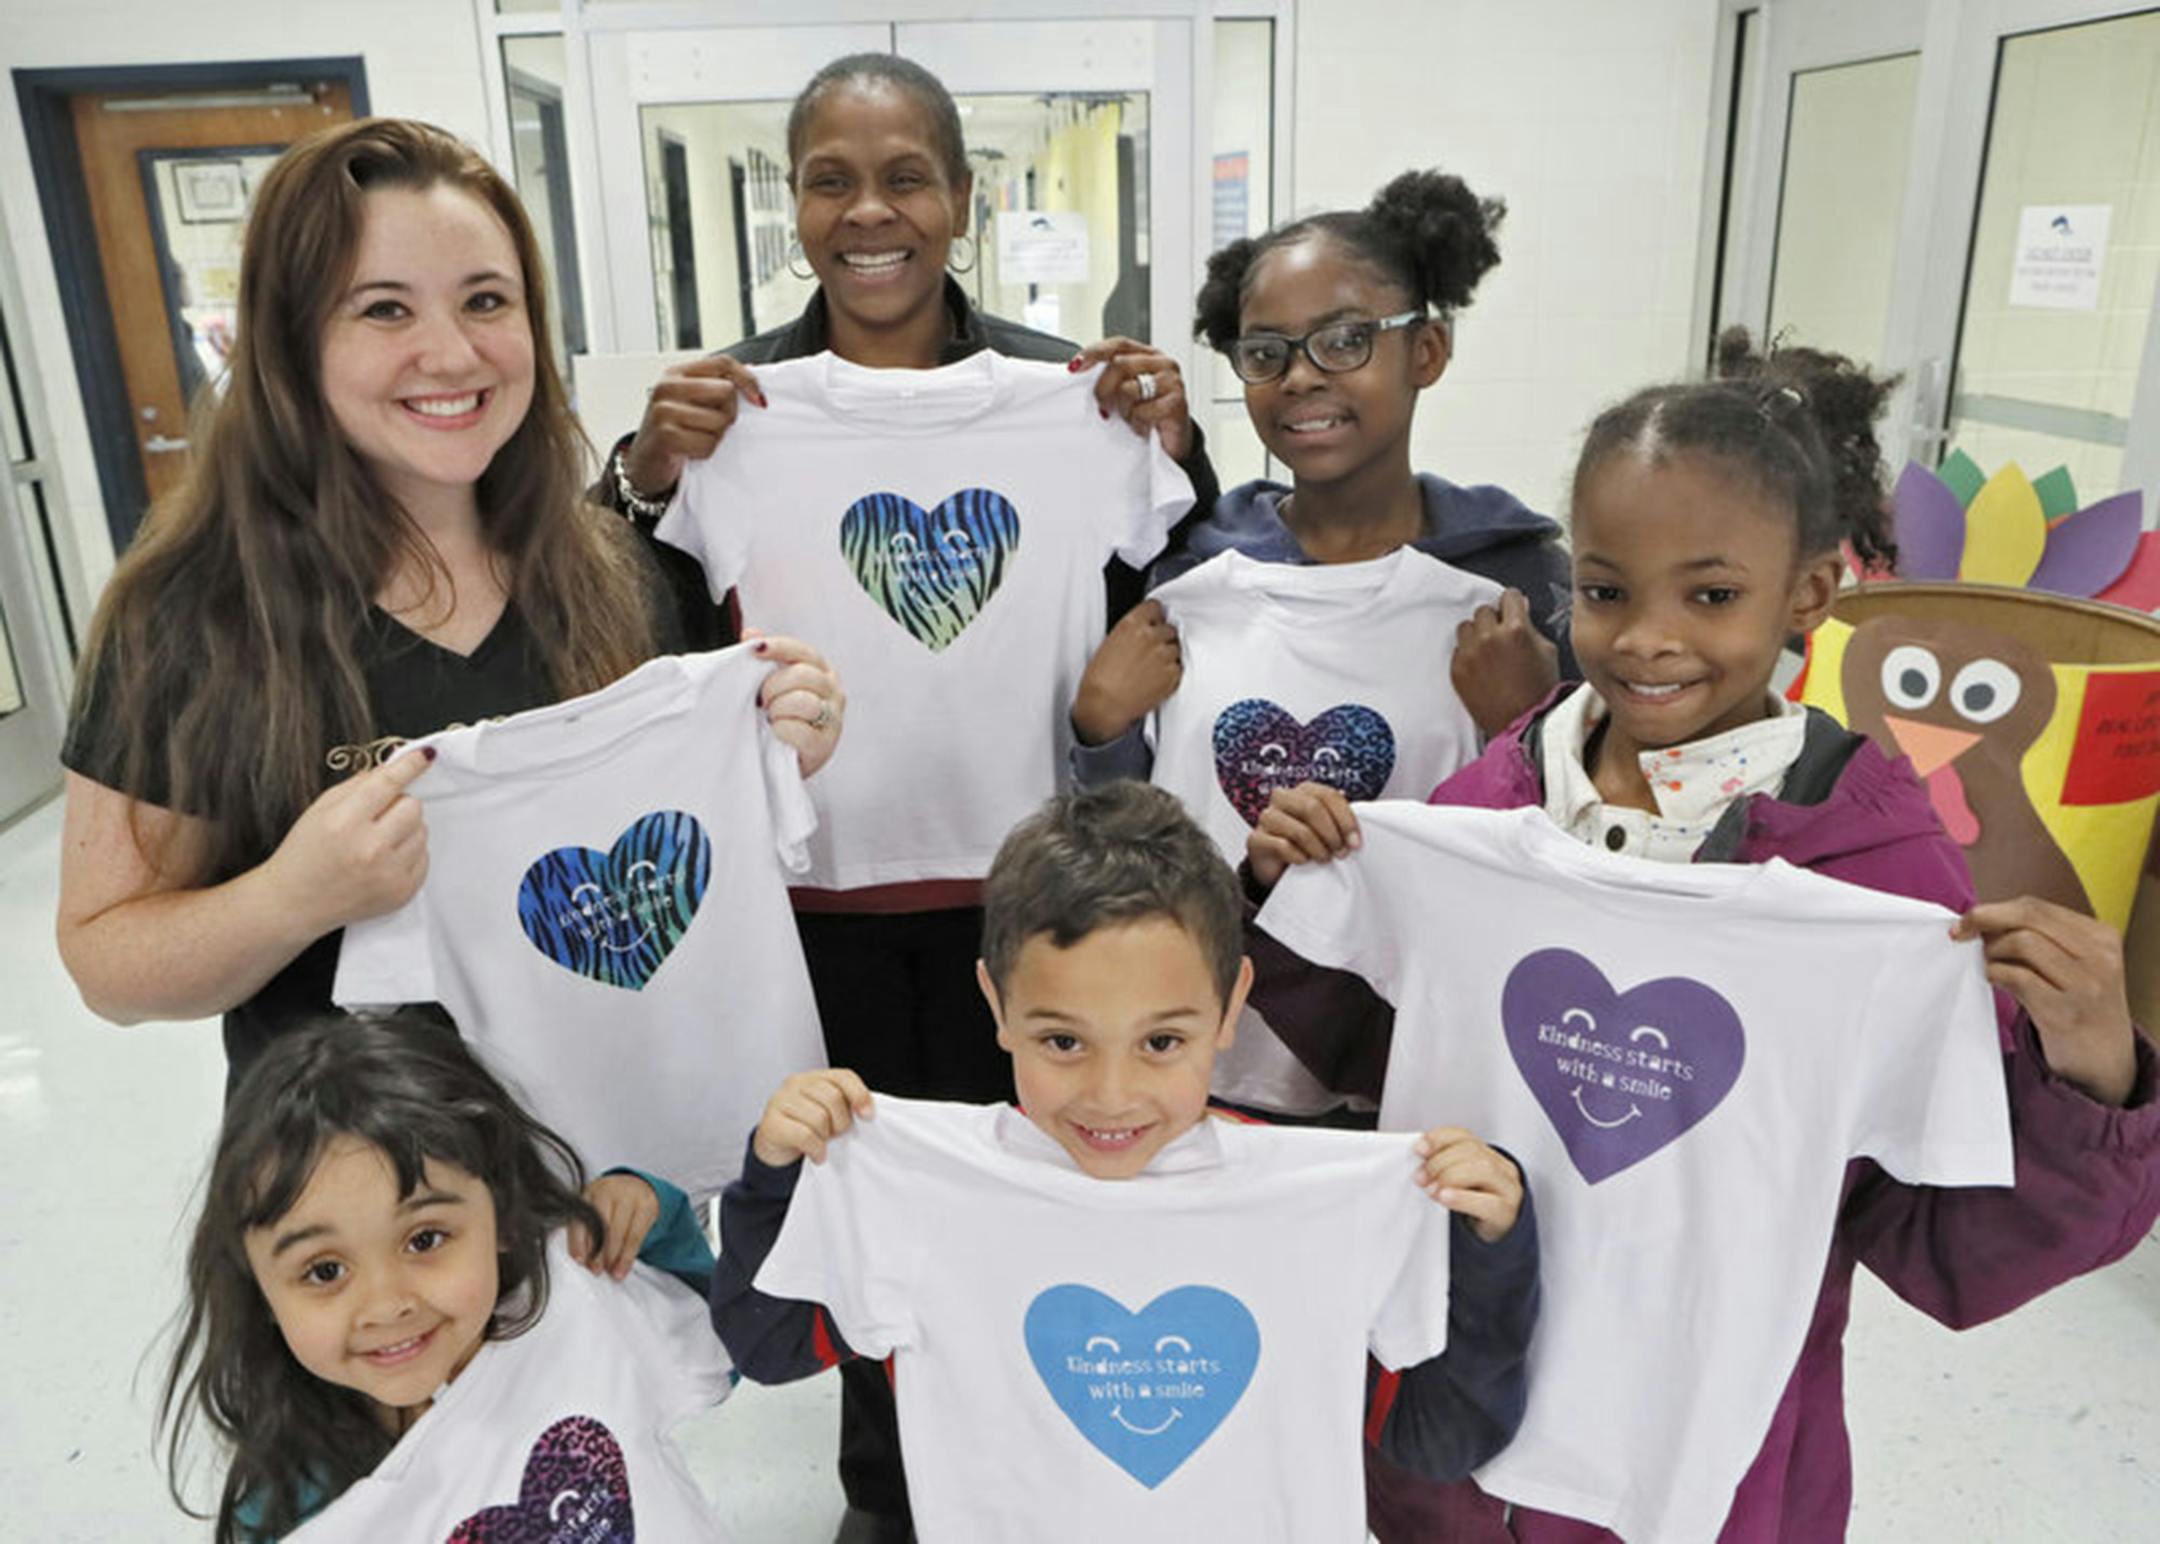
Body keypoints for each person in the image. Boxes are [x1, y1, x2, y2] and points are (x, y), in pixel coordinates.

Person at [1243, 331, 2159, 1541]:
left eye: (1712, 593)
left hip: (1702, 1467)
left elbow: (1949, 1236)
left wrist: (2091, 1073)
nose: (1647, 638)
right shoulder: (1485, 811)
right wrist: (1301, 893)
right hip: (1455, 1424)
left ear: (1810, 595)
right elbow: (1362, 1066)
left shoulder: (1876, 884)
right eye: (1609, 589)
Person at [597, 56, 1211, 1535]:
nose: (869, 210)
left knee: (1054, 1209)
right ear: (792, 202)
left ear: (964, 197)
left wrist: (1175, 442)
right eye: (830, 177)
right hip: (814, 911)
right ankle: (887, 1494)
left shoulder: (1076, 401)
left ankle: (1050, 1485)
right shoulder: (730, 411)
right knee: (871, 1225)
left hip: (1039, 911)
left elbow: (1190, 600)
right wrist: (638, 472)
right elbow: (626, 625)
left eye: (905, 176)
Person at [53, 118, 843, 1084]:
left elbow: (658, 876)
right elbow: (107, 964)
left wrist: (771, 750)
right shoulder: (192, 617)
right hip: (368, 1194)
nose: (453, 353)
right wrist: (290, 899)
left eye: (485, 301)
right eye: (385, 310)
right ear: (293, 343)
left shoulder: (614, 572)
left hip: (621, 1188)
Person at [710, 782, 1541, 1539]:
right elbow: (770, 1344)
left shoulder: (1320, 1200)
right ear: (996, 1005)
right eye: (1063, 1040)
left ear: (1232, 1008)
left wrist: (1489, 1254)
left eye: (1162, 1041)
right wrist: (780, 1174)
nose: (1112, 1094)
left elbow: (1445, 1437)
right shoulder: (929, 1187)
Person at [1070, 168, 1574, 788]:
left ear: (1427, 352)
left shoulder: (1517, 587)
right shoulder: (1191, 581)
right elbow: (1132, 830)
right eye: (1264, 353)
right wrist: (1103, 732)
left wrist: (1529, 728)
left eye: (1342, 341)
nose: (1300, 376)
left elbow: (1596, 825)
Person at [157, 1011, 727, 1542]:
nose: (387, 1303)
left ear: (504, 1214)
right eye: (325, 1271)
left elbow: (728, 1340)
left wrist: (645, 1220)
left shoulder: (574, 1304)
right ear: (260, 1292)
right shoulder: (287, 1506)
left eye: (425, 1239)